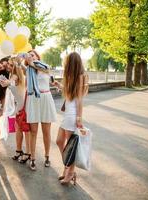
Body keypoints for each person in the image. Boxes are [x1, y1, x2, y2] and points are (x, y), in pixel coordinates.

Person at [54, 52, 89, 185]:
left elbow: (79, 99)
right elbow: (71, 94)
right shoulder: (71, 76)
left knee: (71, 146)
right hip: (67, 113)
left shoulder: (81, 77)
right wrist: (60, 86)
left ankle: (69, 173)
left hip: (73, 115)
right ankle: (67, 168)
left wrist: (79, 118)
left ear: (71, 63)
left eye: (67, 61)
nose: (65, 63)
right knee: (59, 141)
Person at [24, 50, 57, 171]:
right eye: (29, 56)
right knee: (33, 131)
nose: (30, 57)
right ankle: (32, 158)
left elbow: (47, 71)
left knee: (46, 131)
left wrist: (32, 63)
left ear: (38, 56)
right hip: (33, 100)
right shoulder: (28, 70)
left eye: (32, 55)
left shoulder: (45, 67)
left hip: (45, 98)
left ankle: (47, 156)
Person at [0, 56, 31, 163]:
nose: (8, 66)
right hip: (18, 104)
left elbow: (12, 83)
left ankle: (28, 152)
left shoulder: (16, 75)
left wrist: (7, 83)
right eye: (8, 64)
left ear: (15, 66)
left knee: (25, 130)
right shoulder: (13, 75)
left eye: (11, 64)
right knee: (18, 129)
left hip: (23, 105)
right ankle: (19, 150)